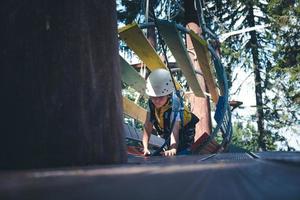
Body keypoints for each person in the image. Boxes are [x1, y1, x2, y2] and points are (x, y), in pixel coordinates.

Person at [142, 69, 199, 156]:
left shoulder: (174, 105)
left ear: (168, 94)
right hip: (168, 128)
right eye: (153, 97)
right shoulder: (151, 103)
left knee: (183, 152)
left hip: (185, 129)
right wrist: (145, 148)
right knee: (168, 150)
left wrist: (173, 149)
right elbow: (147, 126)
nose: (156, 101)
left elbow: (174, 129)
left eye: (160, 97)